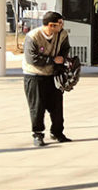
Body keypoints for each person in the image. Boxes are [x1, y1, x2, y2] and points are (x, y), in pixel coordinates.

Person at [23, 11, 71, 147]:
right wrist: (53, 60)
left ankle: (57, 132)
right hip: (34, 76)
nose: (62, 26)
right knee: (37, 107)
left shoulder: (62, 34)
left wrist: (62, 60)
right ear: (51, 25)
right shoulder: (32, 36)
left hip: (52, 75)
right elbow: (31, 58)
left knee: (57, 106)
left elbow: (65, 49)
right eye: (60, 23)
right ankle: (38, 134)